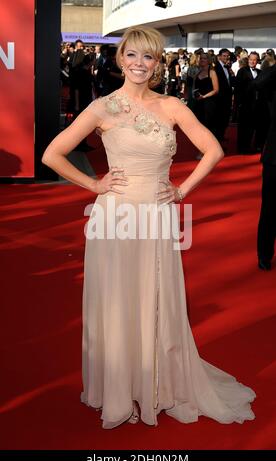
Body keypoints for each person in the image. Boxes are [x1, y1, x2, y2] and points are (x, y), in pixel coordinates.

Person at [42, 26, 256, 429]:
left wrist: (181, 191)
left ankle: (157, 384)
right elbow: (52, 154)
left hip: (157, 216)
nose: (140, 64)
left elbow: (214, 150)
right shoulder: (102, 107)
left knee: (155, 297)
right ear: (121, 59)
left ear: (157, 64)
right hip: (115, 214)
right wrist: (93, 184)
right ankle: (119, 388)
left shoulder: (172, 106)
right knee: (117, 298)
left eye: (149, 57)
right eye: (133, 56)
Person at [252, 62, 276, 270]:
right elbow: (259, 82)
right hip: (275, 159)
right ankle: (264, 254)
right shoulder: (272, 85)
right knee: (269, 209)